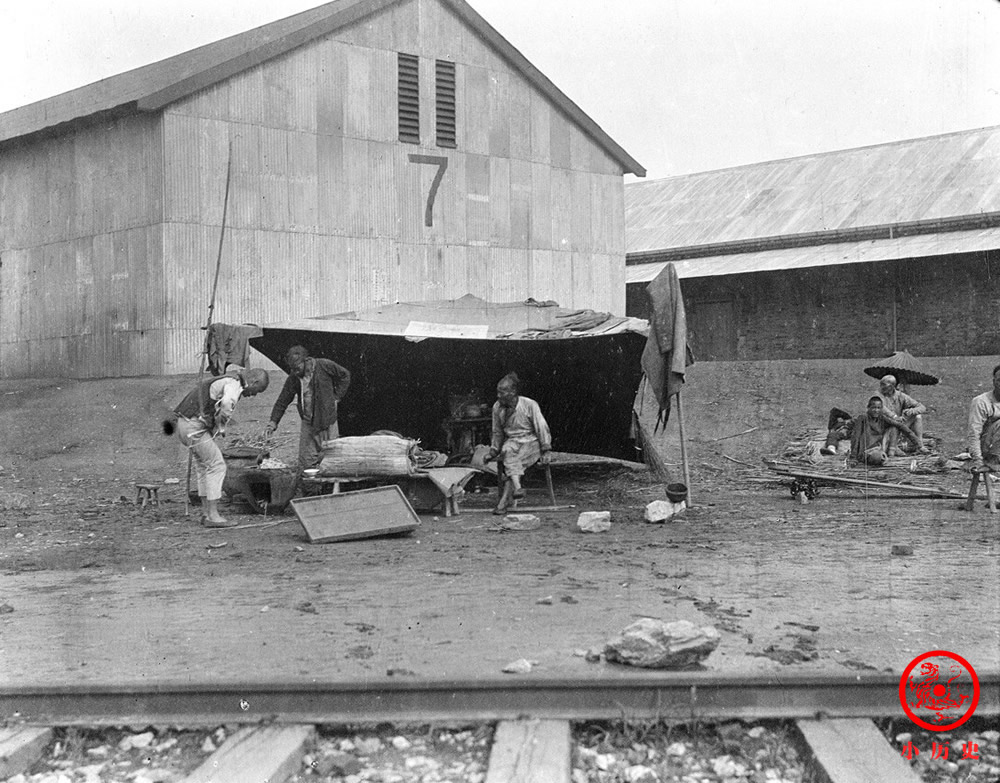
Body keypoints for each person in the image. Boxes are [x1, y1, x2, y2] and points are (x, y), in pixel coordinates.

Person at [171, 367, 270, 527]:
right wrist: (221, 425)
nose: (253, 395)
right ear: (254, 381)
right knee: (217, 465)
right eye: (257, 390)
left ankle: (206, 513)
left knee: (204, 467)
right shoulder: (234, 384)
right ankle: (213, 515)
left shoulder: (228, 379)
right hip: (193, 427)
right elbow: (226, 403)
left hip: (184, 424)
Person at [265, 345, 351, 469]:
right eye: (292, 369)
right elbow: (282, 400)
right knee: (306, 464)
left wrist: (336, 397)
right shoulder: (294, 377)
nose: (295, 371)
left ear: (306, 360)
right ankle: (308, 488)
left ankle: (329, 488)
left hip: (328, 423)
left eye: (297, 368)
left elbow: (345, 375)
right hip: (308, 424)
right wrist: (273, 422)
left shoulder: (324, 365)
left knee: (331, 461)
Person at [485, 373, 552, 514]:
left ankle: (504, 502)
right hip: (512, 441)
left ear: (513, 392)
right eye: (497, 392)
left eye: (502, 392)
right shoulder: (497, 407)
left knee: (513, 461)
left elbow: (541, 426)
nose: (498, 395)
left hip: (531, 442)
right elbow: (497, 431)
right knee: (507, 451)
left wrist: (546, 449)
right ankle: (517, 487)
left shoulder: (529, 404)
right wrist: (493, 450)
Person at [877, 374, 929, 455]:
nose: (881, 387)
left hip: (898, 424)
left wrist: (912, 411)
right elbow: (882, 408)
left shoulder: (900, 396)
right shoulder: (878, 394)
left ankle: (919, 445)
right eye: (881, 384)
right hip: (883, 424)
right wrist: (894, 416)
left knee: (917, 416)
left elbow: (922, 407)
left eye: (884, 384)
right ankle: (893, 447)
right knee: (895, 425)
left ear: (892, 386)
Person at [967, 364, 1000, 474]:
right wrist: (978, 460)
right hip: (987, 449)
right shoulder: (981, 401)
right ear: (994, 381)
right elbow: (974, 433)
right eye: (999, 380)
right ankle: (993, 463)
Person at [850, 396, 890, 466]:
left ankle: (891, 451)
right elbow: (856, 437)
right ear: (868, 407)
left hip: (878, 449)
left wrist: (916, 441)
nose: (876, 410)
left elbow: (900, 425)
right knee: (877, 457)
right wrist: (853, 457)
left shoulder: (881, 418)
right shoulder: (862, 418)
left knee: (893, 427)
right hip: (865, 452)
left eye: (878, 408)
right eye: (873, 408)